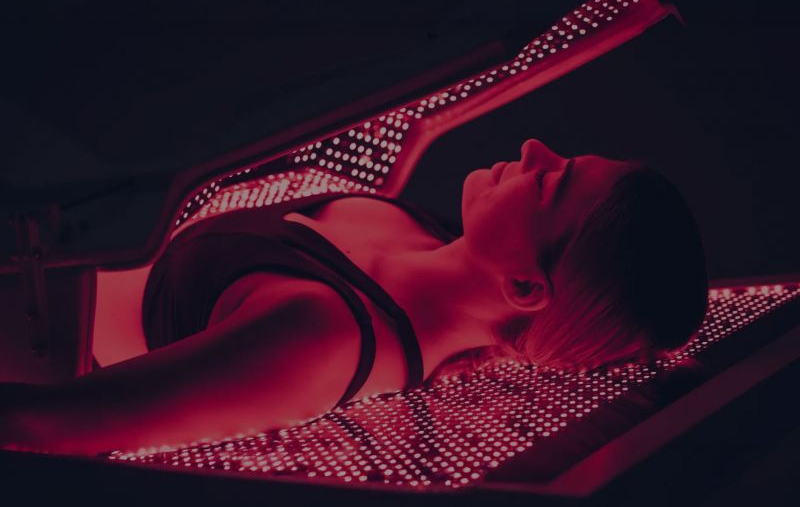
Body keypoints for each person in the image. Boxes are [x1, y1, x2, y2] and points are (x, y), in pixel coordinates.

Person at [0, 139, 708, 456]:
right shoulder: (428, 230)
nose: (532, 149)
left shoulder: (326, 340)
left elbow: (45, 425)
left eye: (549, 182)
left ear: (524, 286)